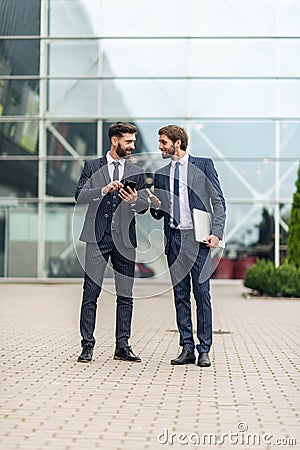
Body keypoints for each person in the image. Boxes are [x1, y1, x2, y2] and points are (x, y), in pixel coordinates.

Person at [147, 125, 226, 367]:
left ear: (177, 142)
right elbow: (159, 214)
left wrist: (216, 233)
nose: (160, 146)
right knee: (180, 296)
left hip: (198, 240)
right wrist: (156, 204)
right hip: (174, 241)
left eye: (163, 142)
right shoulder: (160, 173)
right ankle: (187, 347)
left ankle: (204, 349)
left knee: (202, 295)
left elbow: (218, 201)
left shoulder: (203, 165)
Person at [75, 121, 148, 363]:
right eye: (128, 141)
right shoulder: (93, 166)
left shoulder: (136, 171)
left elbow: (143, 207)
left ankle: (122, 346)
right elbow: (79, 195)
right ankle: (87, 346)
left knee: (125, 295)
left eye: (133, 142)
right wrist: (103, 190)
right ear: (115, 140)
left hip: (125, 241)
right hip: (97, 238)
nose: (132, 146)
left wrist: (136, 200)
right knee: (91, 293)